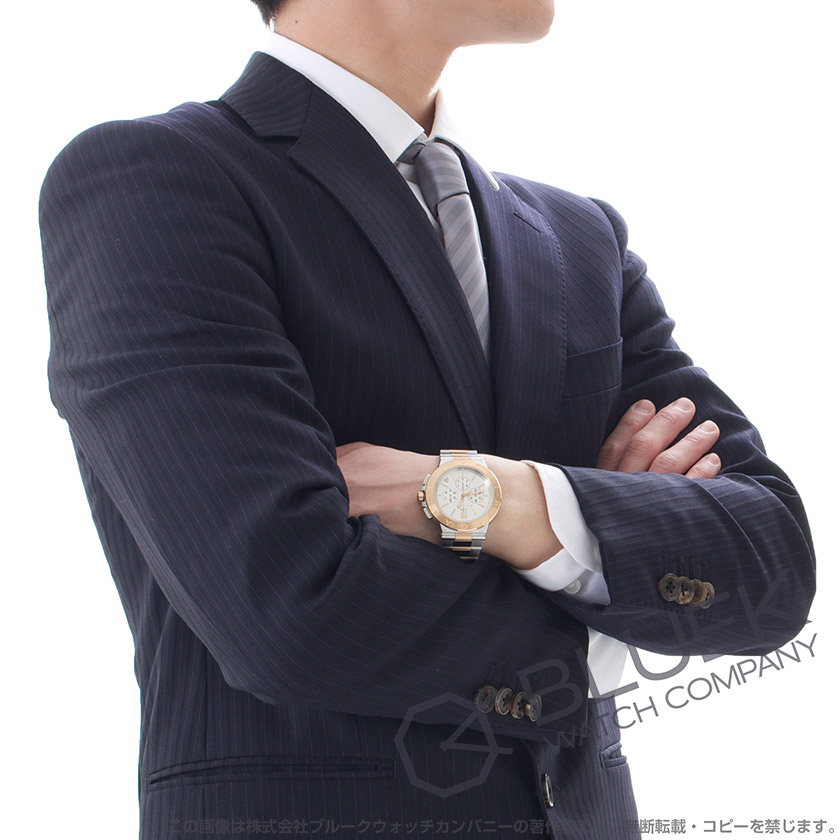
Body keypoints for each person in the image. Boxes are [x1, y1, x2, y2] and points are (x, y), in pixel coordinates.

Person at [38, 0, 816, 837]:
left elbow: (769, 565)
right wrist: (604, 583)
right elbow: (288, 611)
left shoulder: (579, 238)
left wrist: (485, 497)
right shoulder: (156, 180)